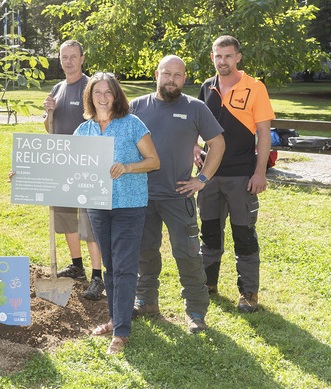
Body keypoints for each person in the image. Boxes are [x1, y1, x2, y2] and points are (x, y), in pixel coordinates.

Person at [129, 55, 225, 333]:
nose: (171, 79)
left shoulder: (195, 108)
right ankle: (146, 301)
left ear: (185, 78)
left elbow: (217, 144)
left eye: (177, 75)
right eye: (166, 74)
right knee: (144, 252)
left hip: (177, 196)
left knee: (188, 254)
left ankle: (195, 312)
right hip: (141, 194)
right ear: (157, 74)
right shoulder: (136, 106)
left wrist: (203, 178)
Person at [75, 72, 160, 354]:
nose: (102, 97)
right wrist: (27, 173)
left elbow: (153, 161)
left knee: (124, 268)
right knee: (111, 267)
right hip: (98, 206)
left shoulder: (131, 124)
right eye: (97, 92)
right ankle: (116, 319)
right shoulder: (84, 130)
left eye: (108, 92)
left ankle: (121, 332)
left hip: (129, 205)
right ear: (89, 96)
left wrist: (127, 166)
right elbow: (66, 166)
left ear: (116, 95)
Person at [196, 36, 275, 313]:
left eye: (228, 56)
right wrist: (194, 144)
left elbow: (264, 134)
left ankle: (248, 293)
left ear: (238, 57)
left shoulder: (255, 88)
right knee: (209, 232)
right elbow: (193, 121)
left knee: (244, 235)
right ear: (212, 57)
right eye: (218, 56)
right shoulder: (207, 87)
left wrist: (260, 172)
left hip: (242, 177)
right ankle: (208, 283)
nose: (223, 61)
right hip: (208, 177)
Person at [42, 40, 105, 300]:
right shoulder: (57, 89)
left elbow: (103, 124)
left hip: (87, 166)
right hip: (61, 166)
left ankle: (98, 276)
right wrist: (48, 113)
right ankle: (77, 266)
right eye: (64, 57)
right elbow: (50, 129)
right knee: (66, 219)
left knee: (88, 223)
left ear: (82, 59)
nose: (68, 61)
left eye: (73, 56)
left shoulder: (90, 88)